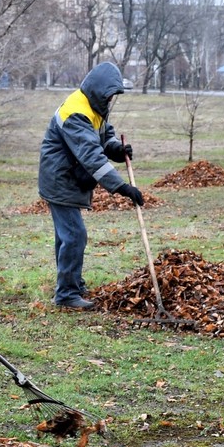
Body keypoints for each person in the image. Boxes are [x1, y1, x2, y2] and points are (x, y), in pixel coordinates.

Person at [37, 61, 143, 309]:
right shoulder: (76, 112)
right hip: (59, 179)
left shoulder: (94, 106)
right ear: (97, 90)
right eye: (107, 96)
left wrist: (116, 148)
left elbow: (103, 134)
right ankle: (66, 294)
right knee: (74, 235)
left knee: (67, 236)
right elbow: (91, 156)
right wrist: (122, 187)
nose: (109, 101)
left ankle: (71, 284)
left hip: (67, 176)